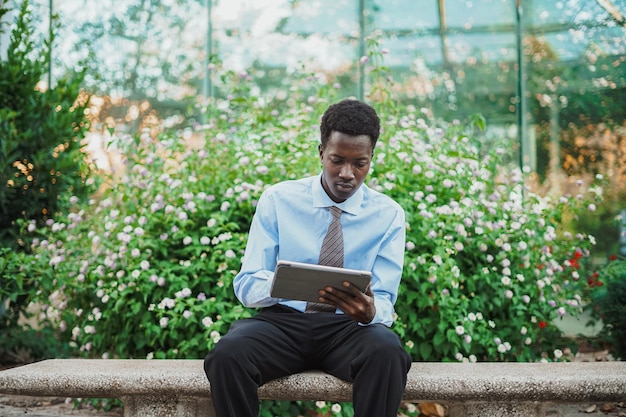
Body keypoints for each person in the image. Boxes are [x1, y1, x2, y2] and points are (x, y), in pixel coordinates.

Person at [204, 99, 411, 417]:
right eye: (336, 160)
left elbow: (384, 300)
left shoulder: (389, 215)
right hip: (283, 325)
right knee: (228, 354)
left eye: (360, 163)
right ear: (320, 153)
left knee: (387, 351)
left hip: (348, 328)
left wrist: (371, 311)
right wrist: (287, 284)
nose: (347, 174)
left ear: (371, 159)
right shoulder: (278, 199)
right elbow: (246, 284)